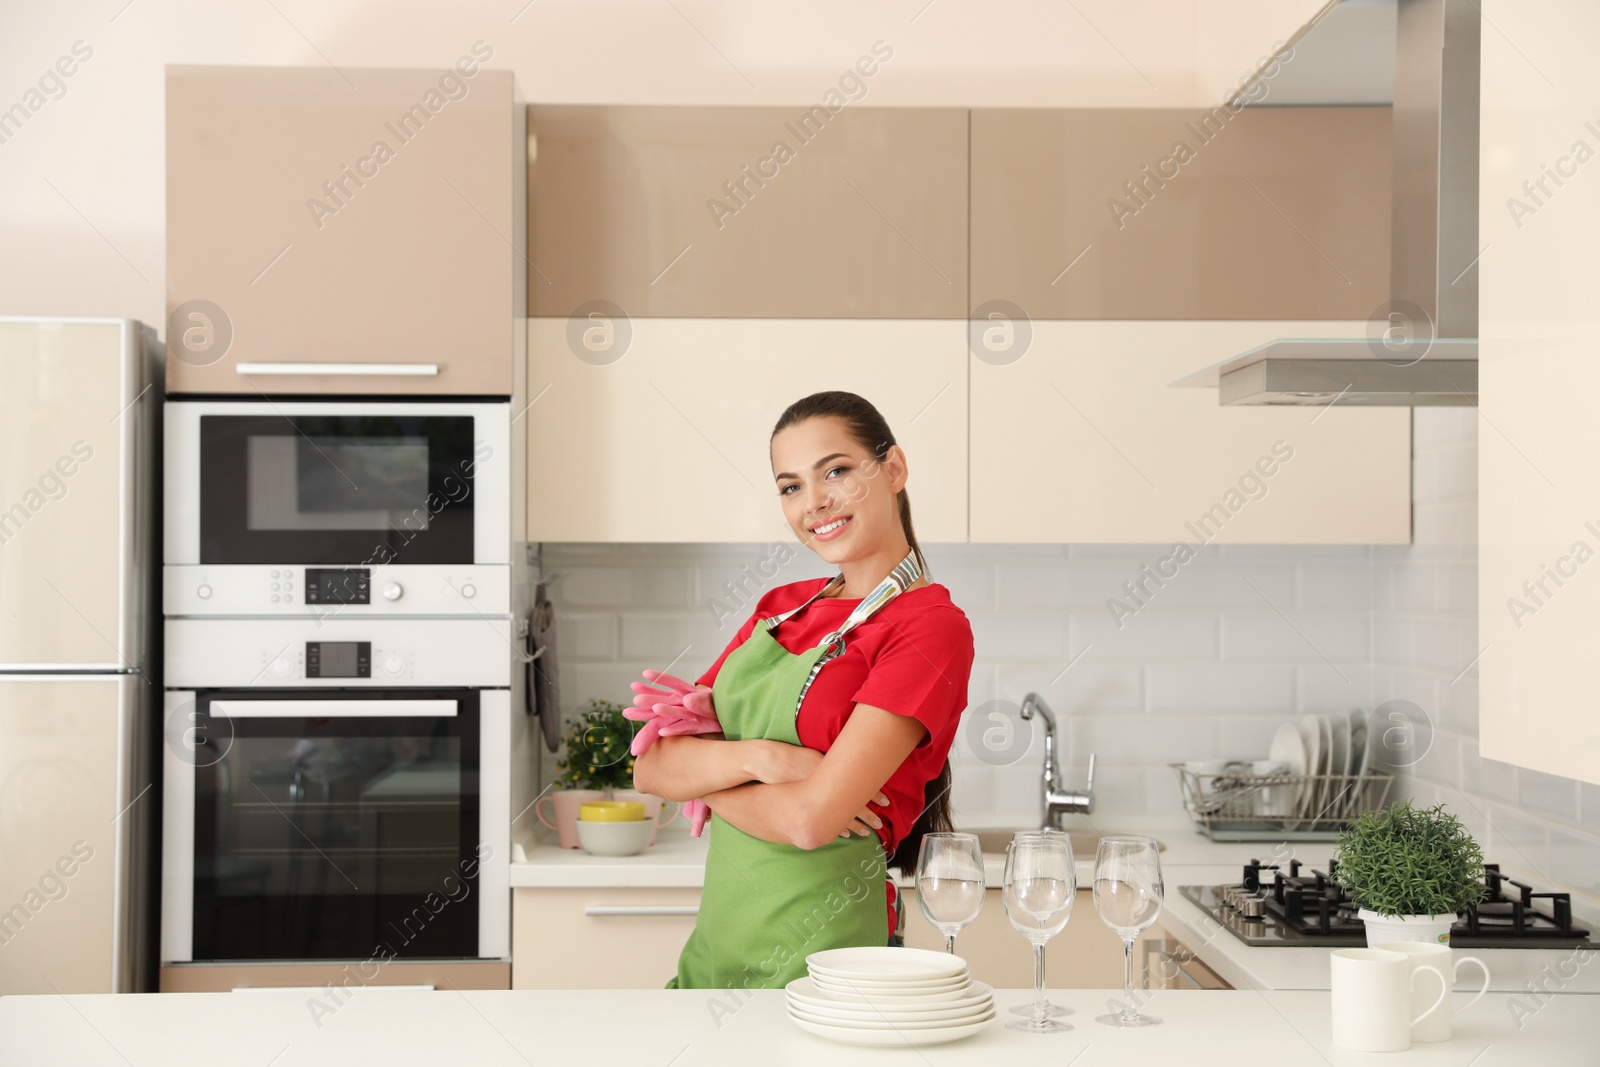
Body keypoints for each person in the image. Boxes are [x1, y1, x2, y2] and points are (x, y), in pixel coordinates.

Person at [633, 390, 975, 991]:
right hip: (714, 951)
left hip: (828, 965)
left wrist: (709, 784)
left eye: (836, 472)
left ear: (893, 468)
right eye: (790, 487)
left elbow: (809, 822)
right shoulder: (781, 608)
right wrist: (765, 760)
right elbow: (650, 767)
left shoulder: (930, 628)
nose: (813, 504)